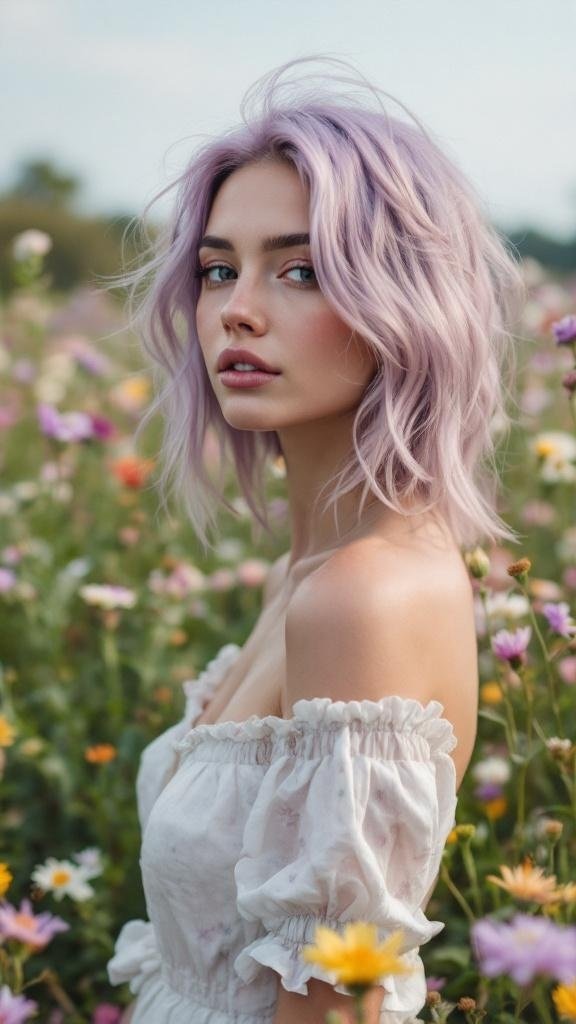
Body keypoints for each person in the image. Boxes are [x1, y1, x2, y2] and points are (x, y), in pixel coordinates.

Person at [105, 55, 525, 1024]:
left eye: (300, 269)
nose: (237, 309)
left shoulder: (363, 596)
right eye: (219, 269)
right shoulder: (310, 571)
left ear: (404, 303)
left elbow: (339, 1005)